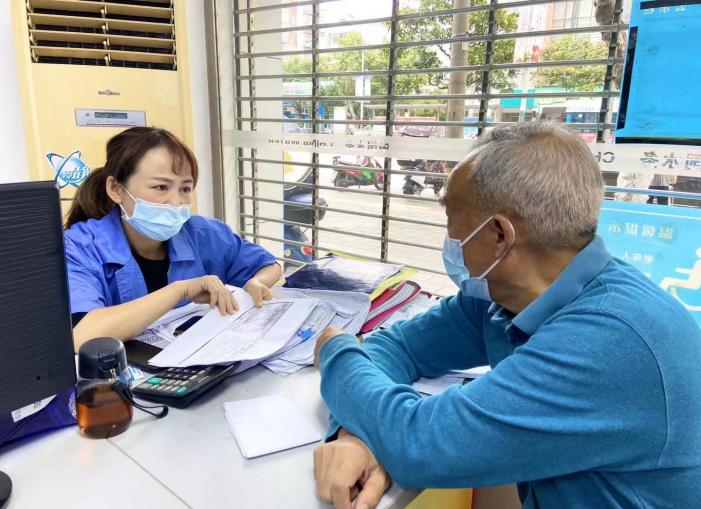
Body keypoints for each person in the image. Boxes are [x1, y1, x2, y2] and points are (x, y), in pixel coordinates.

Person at [312, 122, 701, 509]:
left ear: (499, 234)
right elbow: (400, 347)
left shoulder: (611, 340)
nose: (449, 238)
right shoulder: (502, 295)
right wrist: (354, 437)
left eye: (451, 220)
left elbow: (419, 444)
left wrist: (336, 349)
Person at [64, 127, 282, 350]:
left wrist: (256, 282)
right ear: (116, 189)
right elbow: (82, 335)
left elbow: (269, 265)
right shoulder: (78, 247)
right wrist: (181, 291)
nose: (176, 202)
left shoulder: (202, 232)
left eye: (185, 189)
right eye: (161, 187)